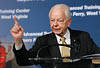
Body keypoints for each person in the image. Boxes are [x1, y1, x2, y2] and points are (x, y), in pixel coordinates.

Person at [10, 4, 100, 68]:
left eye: (60, 20)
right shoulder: (43, 41)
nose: (55, 24)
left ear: (69, 22)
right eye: (52, 20)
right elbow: (23, 61)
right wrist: (18, 40)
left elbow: (98, 56)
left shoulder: (83, 37)